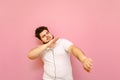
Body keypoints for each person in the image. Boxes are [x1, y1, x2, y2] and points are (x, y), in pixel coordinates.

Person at [28, 26, 93, 80]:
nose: (47, 36)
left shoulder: (63, 42)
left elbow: (74, 49)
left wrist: (83, 59)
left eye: (47, 33)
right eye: (43, 36)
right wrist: (47, 45)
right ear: (41, 40)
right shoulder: (41, 49)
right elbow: (30, 55)